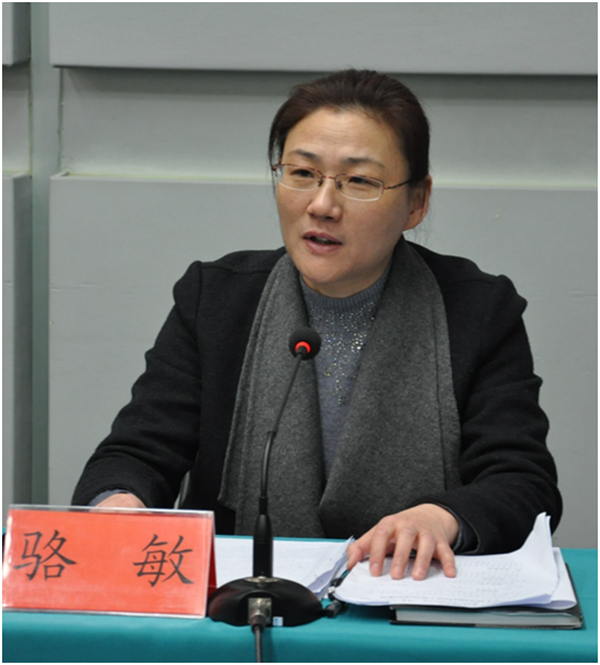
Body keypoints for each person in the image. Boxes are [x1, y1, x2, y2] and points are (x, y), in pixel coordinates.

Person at [72, 69, 562, 581]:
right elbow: (137, 452)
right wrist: (119, 501)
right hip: (244, 604)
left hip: (407, 595)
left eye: (359, 181)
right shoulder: (216, 298)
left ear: (417, 201)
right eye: (302, 173)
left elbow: (523, 482)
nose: (322, 205)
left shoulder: (477, 310)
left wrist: (441, 519)